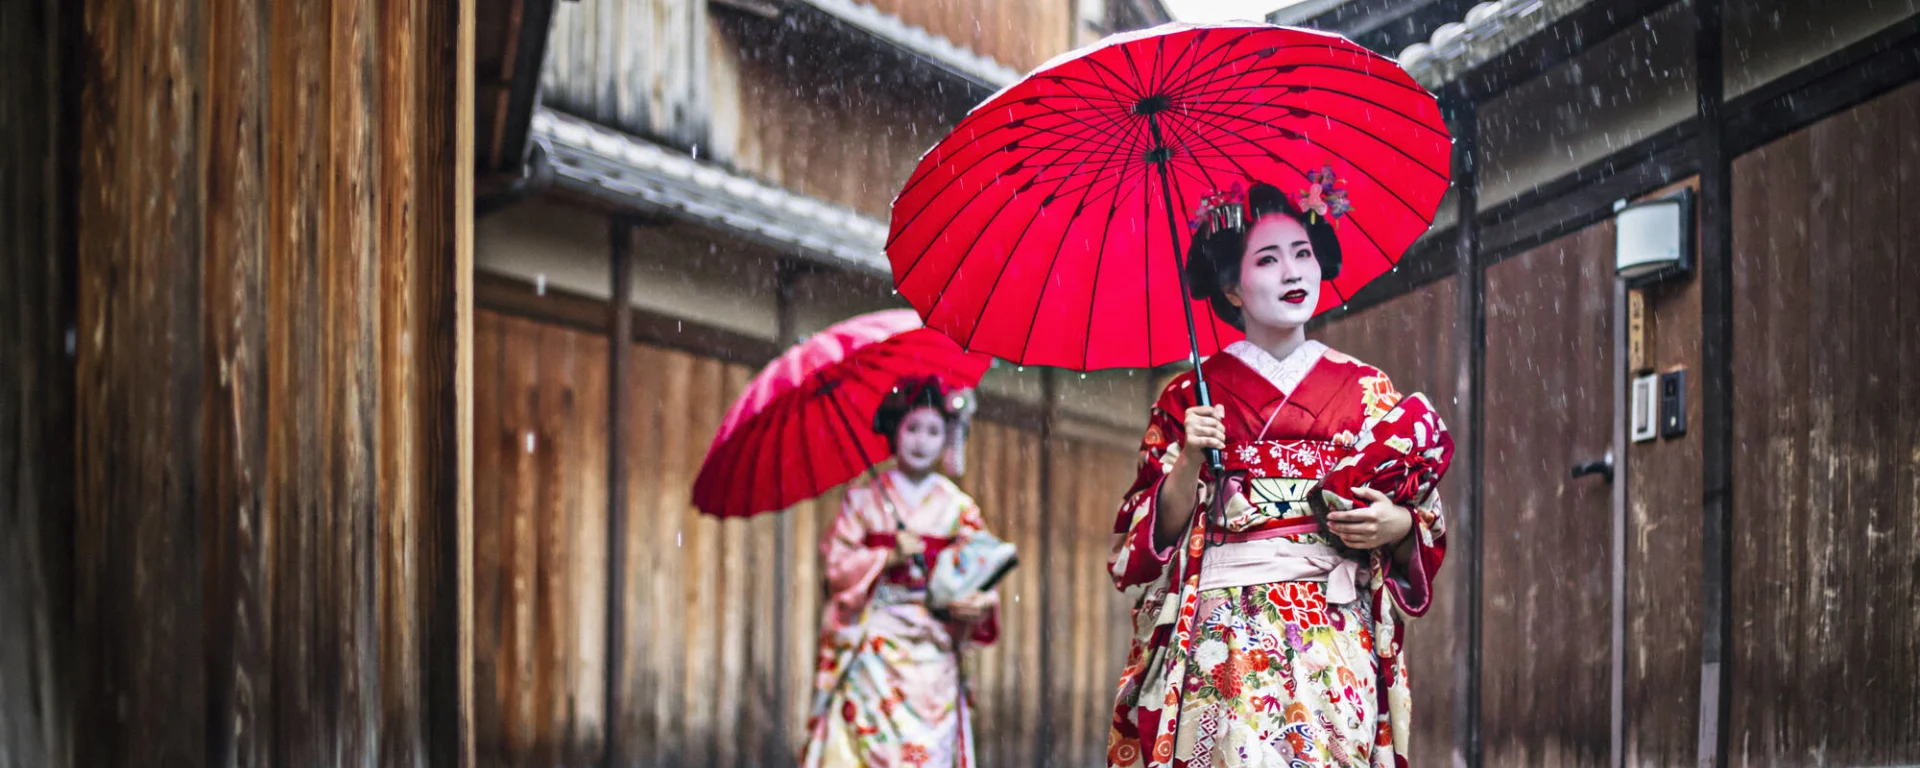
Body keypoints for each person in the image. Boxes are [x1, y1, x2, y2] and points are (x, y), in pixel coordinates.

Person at [1105, 181, 1448, 768]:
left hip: (1332, 627)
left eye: (1302, 253)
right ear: (1231, 287)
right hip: (1225, 635)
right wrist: (1189, 460)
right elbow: (1141, 543)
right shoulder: (1189, 396)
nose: (1292, 272)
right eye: (1267, 259)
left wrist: (1394, 524)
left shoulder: (1366, 389)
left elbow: (1423, 515)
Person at [801, 377, 1001, 768]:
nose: (921, 441)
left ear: (947, 437)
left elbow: (982, 572)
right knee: (865, 741)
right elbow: (837, 567)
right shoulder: (864, 497)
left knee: (930, 749)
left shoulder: (958, 507)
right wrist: (887, 556)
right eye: (913, 428)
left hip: (934, 641)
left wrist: (977, 601)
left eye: (933, 431)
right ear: (895, 431)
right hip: (875, 635)